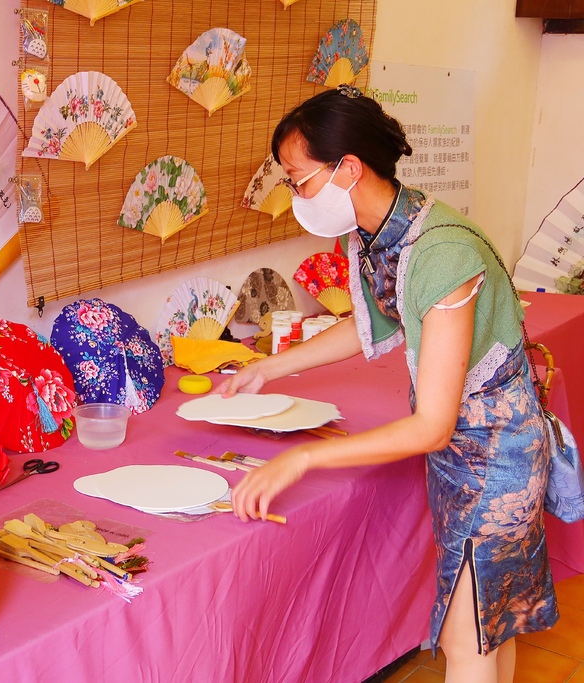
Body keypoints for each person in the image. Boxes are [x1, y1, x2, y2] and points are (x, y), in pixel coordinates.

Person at [218, 86, 557, 683]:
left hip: (497, 459)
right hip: (466, 454)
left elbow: (431, 425)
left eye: (298, 181)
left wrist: (301, 459)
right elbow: (375, 316)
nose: (295, 196)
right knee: (487, 627)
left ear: (348, 168)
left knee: (469, 638)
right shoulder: (384, 231)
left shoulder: (442, 253)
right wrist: (267, 368)